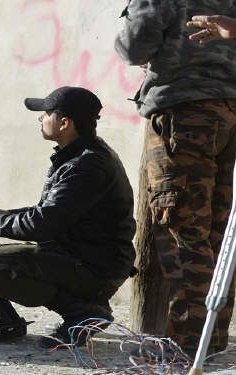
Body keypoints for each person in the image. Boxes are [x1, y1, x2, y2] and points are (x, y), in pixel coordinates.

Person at [0, 86, 136, 349]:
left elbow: (44, 224)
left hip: (94, 267)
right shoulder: (81, 155)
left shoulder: (86, 165)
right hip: (87, 258)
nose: (40, 119)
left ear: (65, 123)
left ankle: (82, 313)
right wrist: (1, 215)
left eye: (46, 114)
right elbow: (52, 212)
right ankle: (87, 306)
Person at [115, 0, 236, 356]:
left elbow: (134, 46)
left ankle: (185, 345)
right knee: (218, 232)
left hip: (183, 113)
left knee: (183, 227)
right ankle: (209, 341)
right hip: (230, 113)